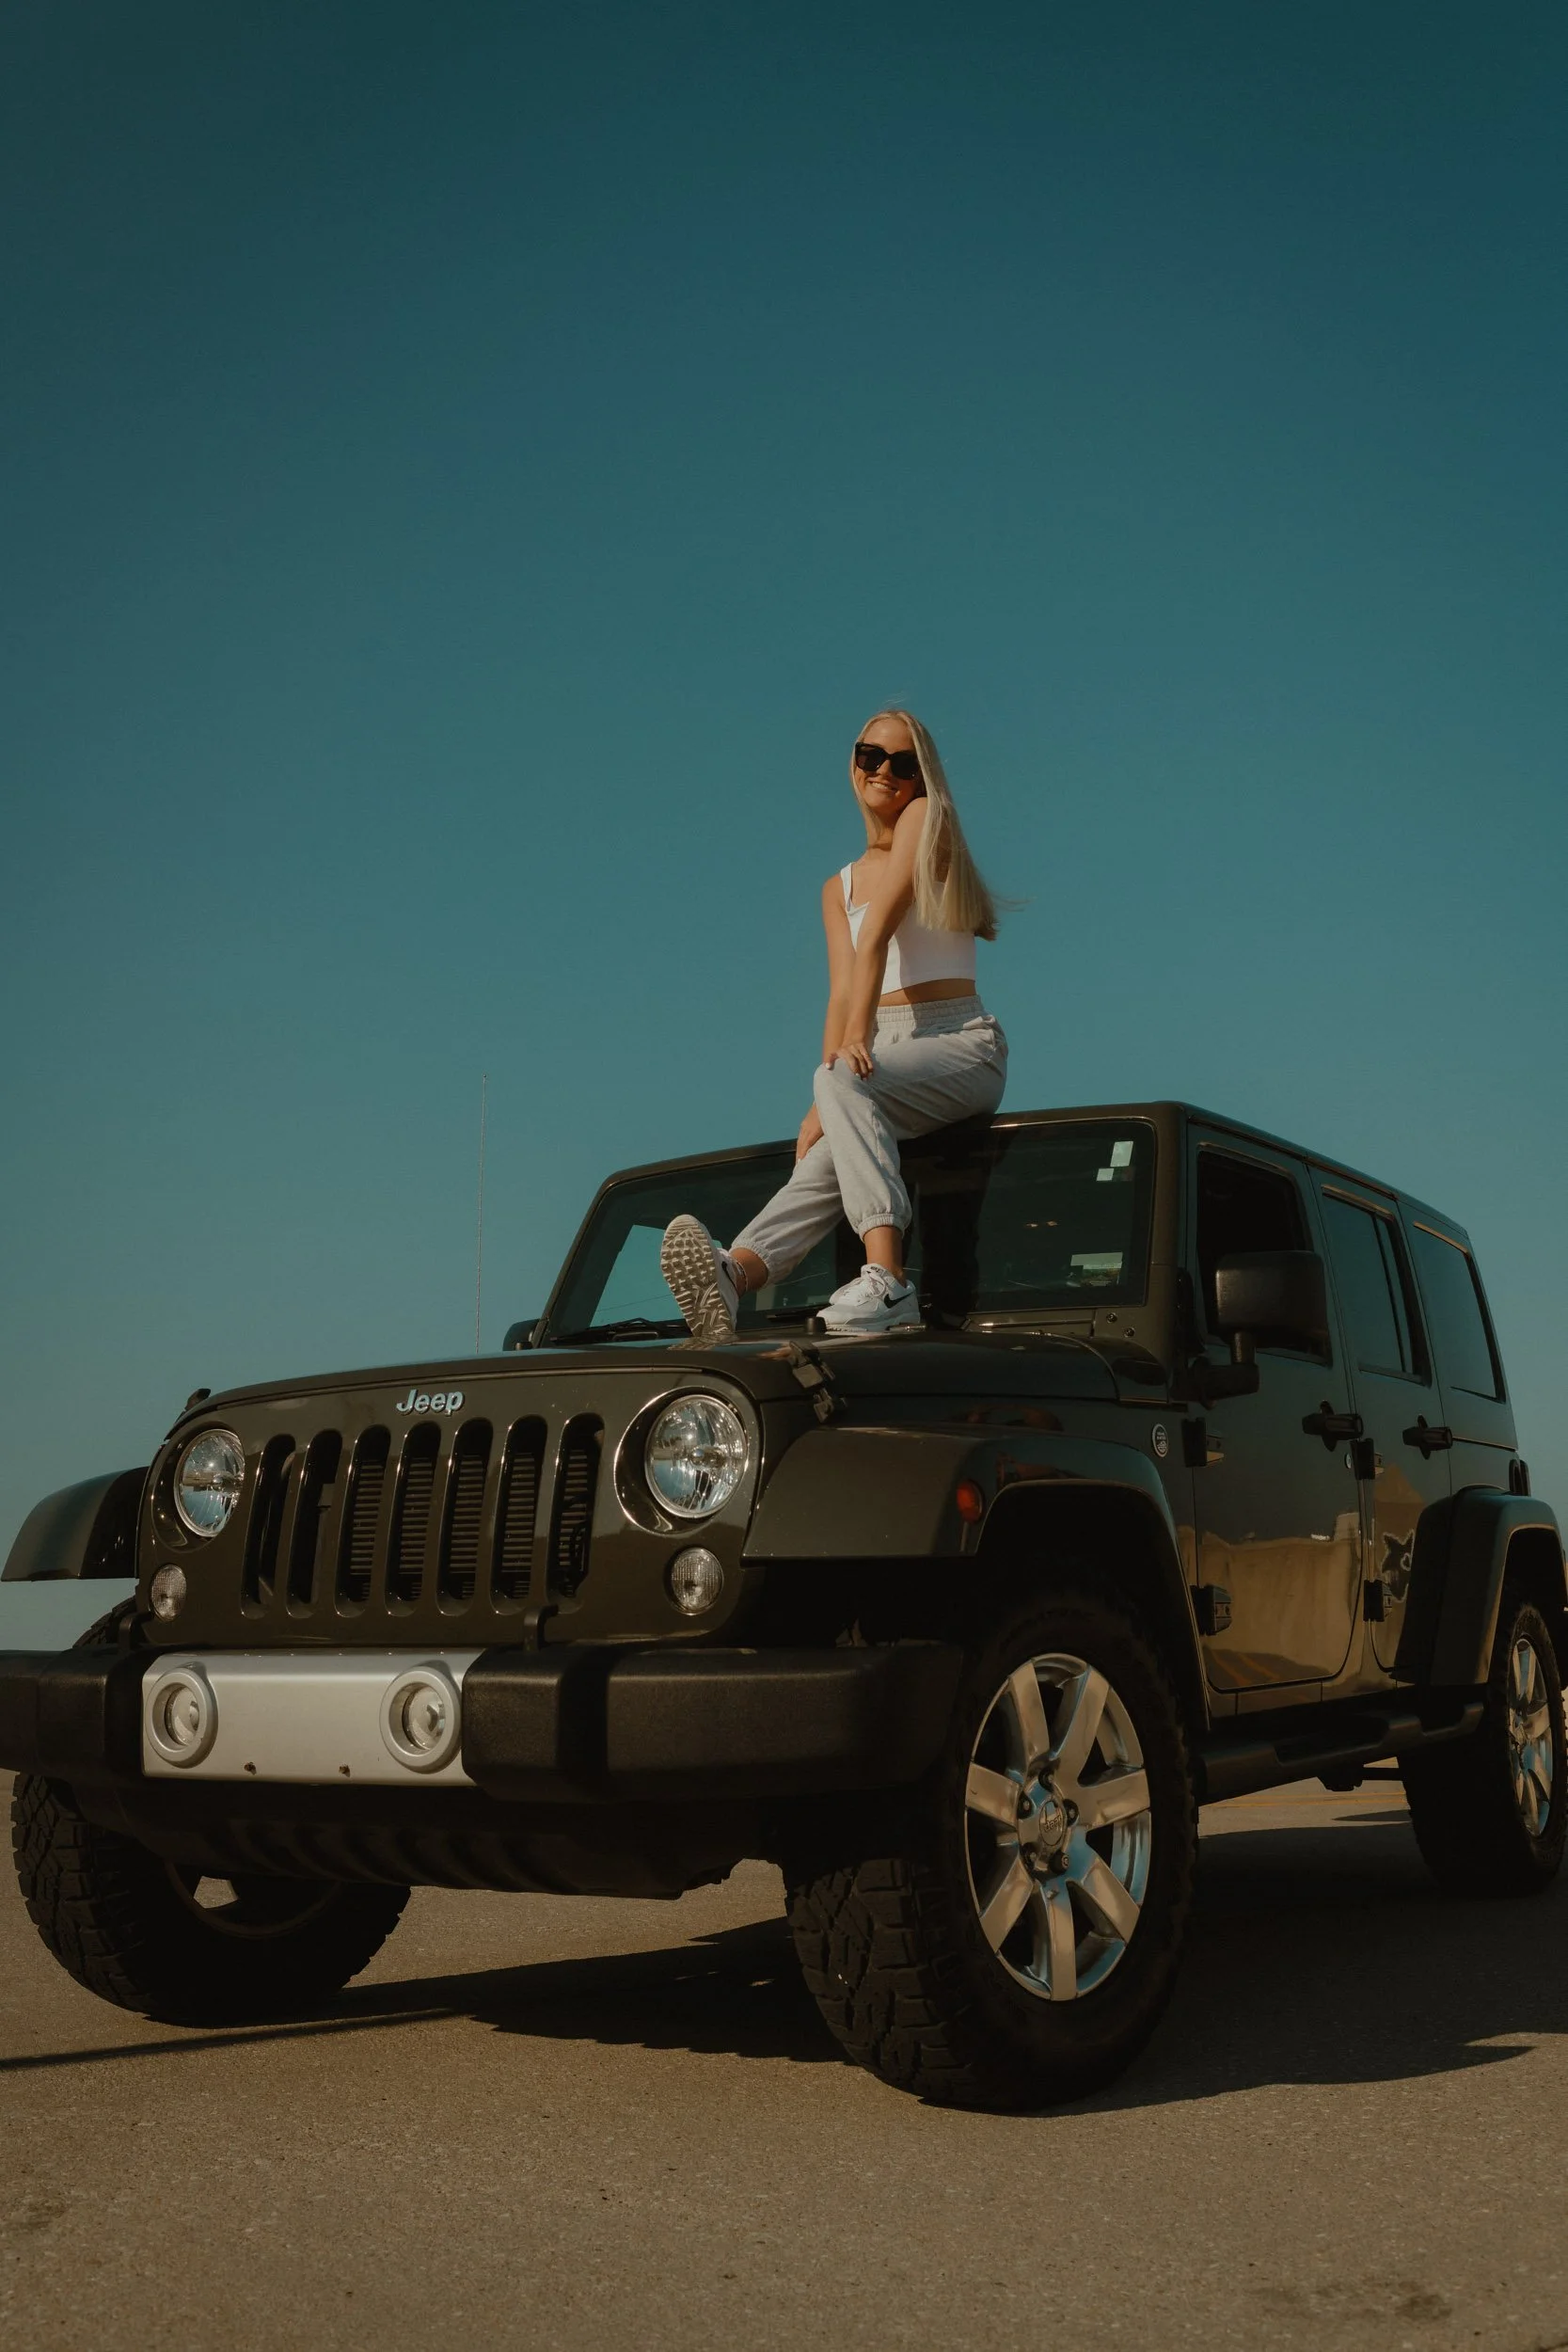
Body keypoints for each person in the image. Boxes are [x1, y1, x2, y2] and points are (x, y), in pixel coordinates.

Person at [661, 707, 1006, 1338]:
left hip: (958, 1042)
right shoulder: (837, 886)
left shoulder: (927, 818)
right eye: (869, 755)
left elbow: (875, 937)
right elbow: (842, 991)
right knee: (825, 1151)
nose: (884, 772)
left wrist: (843, 1064)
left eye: (903, 764)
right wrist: (819, 1097)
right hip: (882, 1058)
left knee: (843, 1082)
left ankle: (889, 1280)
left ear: (920, 777)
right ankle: (733, 1274)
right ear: (852, 762)